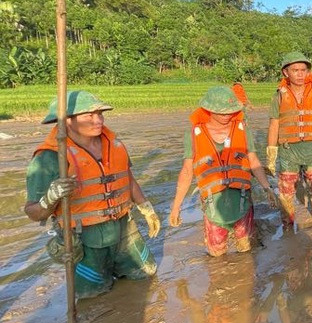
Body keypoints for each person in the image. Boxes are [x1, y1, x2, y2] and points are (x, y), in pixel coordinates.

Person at [24, 90, 160, 299]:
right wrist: (50, 198)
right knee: (92, 296)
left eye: (100, 114)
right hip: (85, 238)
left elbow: (127, 177)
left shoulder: (113, 144)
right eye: (89, 115)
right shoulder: (48, 158)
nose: (98, 120)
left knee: (146, 275)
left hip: (124, 227)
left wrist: (146, 208)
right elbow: (34, 212)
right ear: (67, 121)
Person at [169, 86, 277, 256]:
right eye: (222, 112)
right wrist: (176, 207)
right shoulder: (193, 134)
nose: (227, 115)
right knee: (216, 252)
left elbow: (253, 160)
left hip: (241, 197)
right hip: (213, 201)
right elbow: (187, 171)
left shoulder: (242, 130)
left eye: (231, 111)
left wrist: (267, 187)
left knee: (246, 247)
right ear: (209, 110)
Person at [265, 52, 312, 231]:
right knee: (286, 192)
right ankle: (288, 227)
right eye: (295, 70)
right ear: (286, 73)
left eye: (303, 70)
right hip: (289, 151)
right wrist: (271, 153)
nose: (300, 74)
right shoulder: (279, 96)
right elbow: (274, 124)